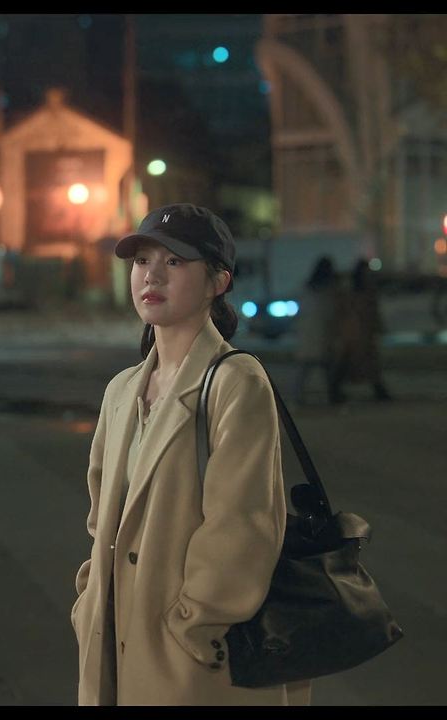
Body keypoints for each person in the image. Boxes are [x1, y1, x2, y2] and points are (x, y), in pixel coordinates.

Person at [70, 203, 310, 705]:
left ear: (218, 282)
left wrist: (194, 623)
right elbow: (101, 517)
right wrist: (89, 599)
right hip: (115, 638)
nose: (151, 275)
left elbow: (242, 525)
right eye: (142, 261)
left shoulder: (235, 380)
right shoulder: (122, 390)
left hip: (192, 655)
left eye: (174, 262)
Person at [332, 260, 392, 402]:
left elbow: (372, 312)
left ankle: (379, 391)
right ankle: (378, 391)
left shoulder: (366, 290)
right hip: (354, 332)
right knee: (350, 362)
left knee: (366, 362)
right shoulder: (353, 292)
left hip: (362, 332)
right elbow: (345, 311)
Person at [294, 257, 341, 404]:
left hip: (309, 332)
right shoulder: (328, 290)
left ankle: (299, 396)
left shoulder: (308, 288)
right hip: (321, 331)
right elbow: (330, 312)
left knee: (307, 367)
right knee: (326, 366)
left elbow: (302, 311)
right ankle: (332, 395)